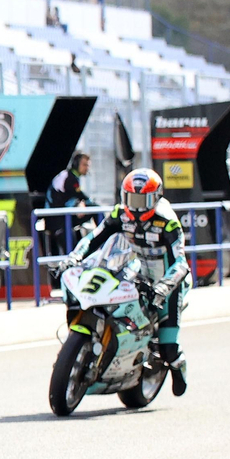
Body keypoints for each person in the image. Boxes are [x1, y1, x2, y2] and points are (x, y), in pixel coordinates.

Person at [58, 169, 190, 396]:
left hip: (165, 281)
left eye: (143, 200)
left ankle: (177, 368)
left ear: (155, 198)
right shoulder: (120, 213)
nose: (136, 207)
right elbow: (94, 238)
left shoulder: (168, 222)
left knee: (168, 348)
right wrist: (74, 257)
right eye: (132, 199)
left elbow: (181, 264)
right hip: (134, 268)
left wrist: (164, 286)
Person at [45, 151, 94, 259]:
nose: (87, 168)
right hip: (57, 220)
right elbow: (78, 196)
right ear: (76, 164)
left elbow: (80, 197)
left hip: (63, 218)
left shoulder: (72, 177)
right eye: (84, 164)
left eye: (88, 165)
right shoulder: (68, 177)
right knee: (71, 253)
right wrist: (80, 204)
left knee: (93, 208)